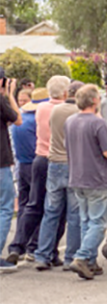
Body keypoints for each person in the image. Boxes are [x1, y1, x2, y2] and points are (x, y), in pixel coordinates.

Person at [63, 84, 107, 279]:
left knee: (86, 220)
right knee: (98, 223)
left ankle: (90, 261)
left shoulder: (70, 121)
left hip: (76, 176)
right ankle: (82, 256)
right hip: (95, 177)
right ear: (95, 101)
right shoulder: (98, 123)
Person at [34, 75, 81, 271]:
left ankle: (42, 254)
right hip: (72, 163)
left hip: (53, 162)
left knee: (51, 211)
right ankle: (71, 257)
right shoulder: (77, 112)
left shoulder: (50, 110)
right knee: (74, 214)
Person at [7, 86, 40, 265]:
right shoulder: (34, 120)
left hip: (22, 165)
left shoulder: (18, 121)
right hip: (34, 164)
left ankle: (18, 243)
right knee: (37, 206)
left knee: (24, 205)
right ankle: (31, 245)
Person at [0, 73, 22, 273]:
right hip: (1, 163)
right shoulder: (1, 101)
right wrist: (10, 95)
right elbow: (17, 119)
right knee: (6, 208)